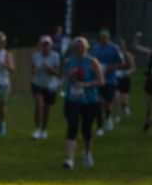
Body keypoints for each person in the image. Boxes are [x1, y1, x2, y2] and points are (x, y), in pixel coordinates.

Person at [61, 36, 104, 169]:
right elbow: (65, 78)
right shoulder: (69, 62)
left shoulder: (92, 62)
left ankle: (87, 152)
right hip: (72, 100)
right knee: (72, 127)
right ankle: (70, 160)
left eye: (82, 48)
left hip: (89, 101)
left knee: (86, 130)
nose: (79, 50)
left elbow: (101, 81)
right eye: (77, 48)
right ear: (73, 49)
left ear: (86, 48)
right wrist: (65, 81)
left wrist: (86, 84)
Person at [89, 28, 126, 135]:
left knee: (107, 103)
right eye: (102, 35)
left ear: (109, 36)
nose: (104, 37)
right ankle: (99, 126)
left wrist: (112, 67)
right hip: (97, 79)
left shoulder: (113, 48)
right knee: (98, 102)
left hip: (110, 80)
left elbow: (122, 62)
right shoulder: (95, 48)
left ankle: (108, 116)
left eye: (105, 35)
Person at [29, 35, 61, 139]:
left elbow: (56, 72)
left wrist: (48, 67)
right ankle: (37, 129)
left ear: (50, 45)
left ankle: (44, 129)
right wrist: (33, 71)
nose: (45, 46)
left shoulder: (55, 56)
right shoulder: (36, 56)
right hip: (38, 83)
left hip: (50, 85)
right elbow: (33, 69)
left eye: (47, 44)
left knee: (47, 109)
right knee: (39, 105)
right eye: (43, 44)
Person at [132, 32, 152, 132]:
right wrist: (137, 38)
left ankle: (150, 121)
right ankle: (148, 120)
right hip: (150, 83)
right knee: (149, 108)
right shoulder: (150, 52)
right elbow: (135, 47)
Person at [113, 38, 135, 122]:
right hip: (116, 79)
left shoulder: (128, 55)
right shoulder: (114, 56)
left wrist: (127, 72)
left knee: (124, 100)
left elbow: (133, 67)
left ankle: (125, 107)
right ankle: (117, 116)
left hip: (125, 80)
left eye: (121, 45)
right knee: (116, 98)